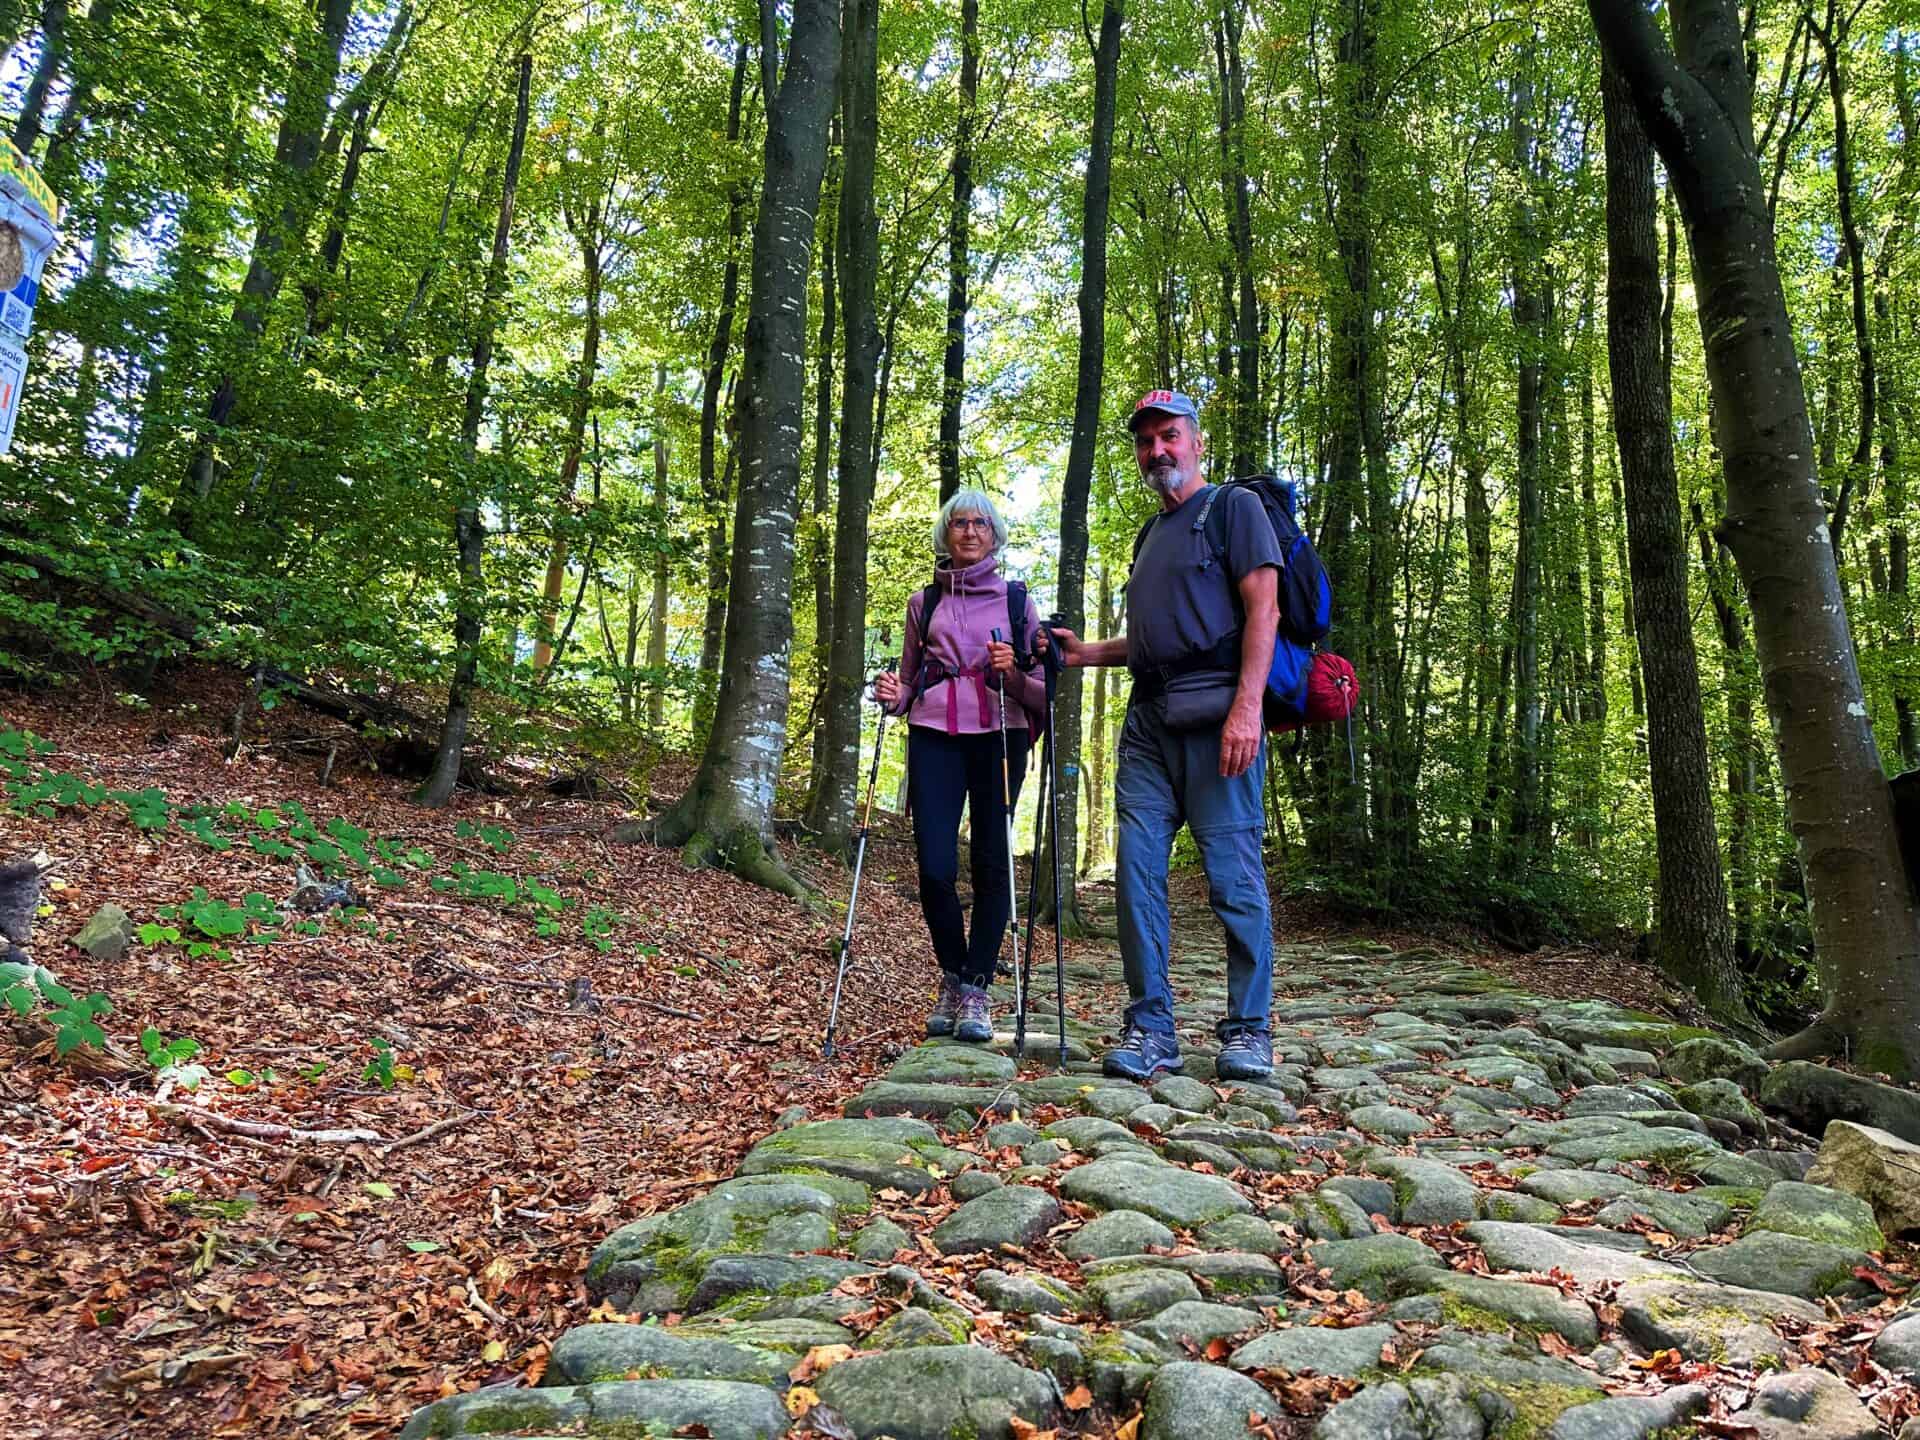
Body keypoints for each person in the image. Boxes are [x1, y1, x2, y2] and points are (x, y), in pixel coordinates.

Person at [1050, 391, 1281, 1082]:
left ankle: (1249, 1030)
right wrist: (1086, 653)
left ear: (1196, 441)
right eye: (1147, 440)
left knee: (1234, 879)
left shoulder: (1235, 509)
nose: (1158, 450)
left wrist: (1248, 707)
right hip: (1149, 723)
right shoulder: (1150, 537)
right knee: (1137, 873)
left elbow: (1262, 608)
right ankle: (1151, 1027)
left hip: (1219, 719)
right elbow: (1155, 639)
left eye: (1169, 436)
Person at [875, 488, 1044, 1043]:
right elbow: (907, 685)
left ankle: (977, 988)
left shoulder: (1018, 603)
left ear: (995, 534)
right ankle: (952, 973)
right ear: (945, 533)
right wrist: (891, 693)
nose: (969, 532)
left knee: (993, 863)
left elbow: (1042, 694)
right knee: (934, 867)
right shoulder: (924, 603)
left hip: (1001, 733)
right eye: (958, 523)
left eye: (980, 523)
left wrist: (1012, 671)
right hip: (933, 735)